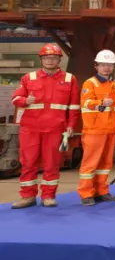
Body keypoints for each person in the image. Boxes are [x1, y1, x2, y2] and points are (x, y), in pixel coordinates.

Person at [10, 44, 78, 209]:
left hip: (55, 128)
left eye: (54, 57)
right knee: (28, 162)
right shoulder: (29, 78)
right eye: (46, 57)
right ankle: (28, 196)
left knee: (52, 163)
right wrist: (26, 101)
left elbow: (74, 106)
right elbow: (15, 99)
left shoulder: (69, 79)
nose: (50, 60)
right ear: (41, 59)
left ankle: (48, 196)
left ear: (59, 60)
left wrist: (71, 125)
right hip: (30, 129)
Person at [77, 50, 115, 206]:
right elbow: (86, 102)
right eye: (103, 65)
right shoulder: (90, 83)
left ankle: (102, 191)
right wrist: (101, 103)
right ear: (96, 66)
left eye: (110, 65)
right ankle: (86, 193)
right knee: (90, 163)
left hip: (110, 130)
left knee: (105, 164)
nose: (107, 68)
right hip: (94, 130)